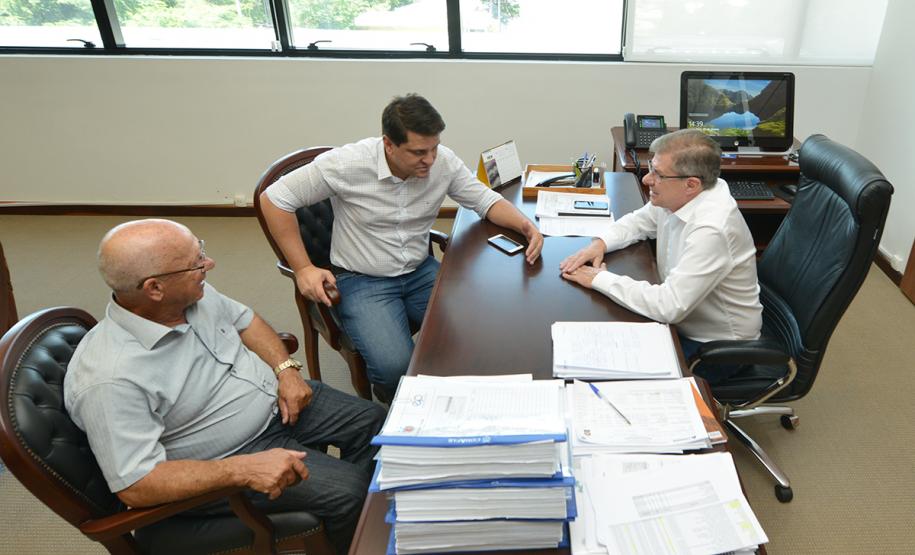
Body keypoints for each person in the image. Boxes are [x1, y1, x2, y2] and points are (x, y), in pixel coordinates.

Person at [64, 219, 387, 555]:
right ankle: (355, 532)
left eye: (200, 251)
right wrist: (243, 469)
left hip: (278, 402)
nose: (209, 264)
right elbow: (136, 484)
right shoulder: (111, 379)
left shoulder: (188, 294)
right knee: (350, 491)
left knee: (375, 424)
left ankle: (355, 523)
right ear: (154, 288)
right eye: (196, 263)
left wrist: (287, 370)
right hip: (229, 457)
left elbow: (245, 320)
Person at [260, 93, 543, 401]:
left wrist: (525, 225)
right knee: (394, 368)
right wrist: (303, 268)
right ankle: (404, 408)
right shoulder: (347, 164)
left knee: (479, 329)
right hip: (362, 279)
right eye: (419, 152)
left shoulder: (442, 161)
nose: (431, 160)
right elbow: (274, 199)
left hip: (420, 270)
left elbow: (484, 200)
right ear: (389, 145)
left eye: (434, 148)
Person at [559, 129, 763, 384]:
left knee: (612, 376)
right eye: (650, 168)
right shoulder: (683, 194)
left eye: (658, 174)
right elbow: (639, 222)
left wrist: (599, 279)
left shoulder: (712, 229)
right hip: (686, 320)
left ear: (691, 184)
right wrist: (600, 243)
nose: (647, 180)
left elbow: (669, 306)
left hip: (715, 347)